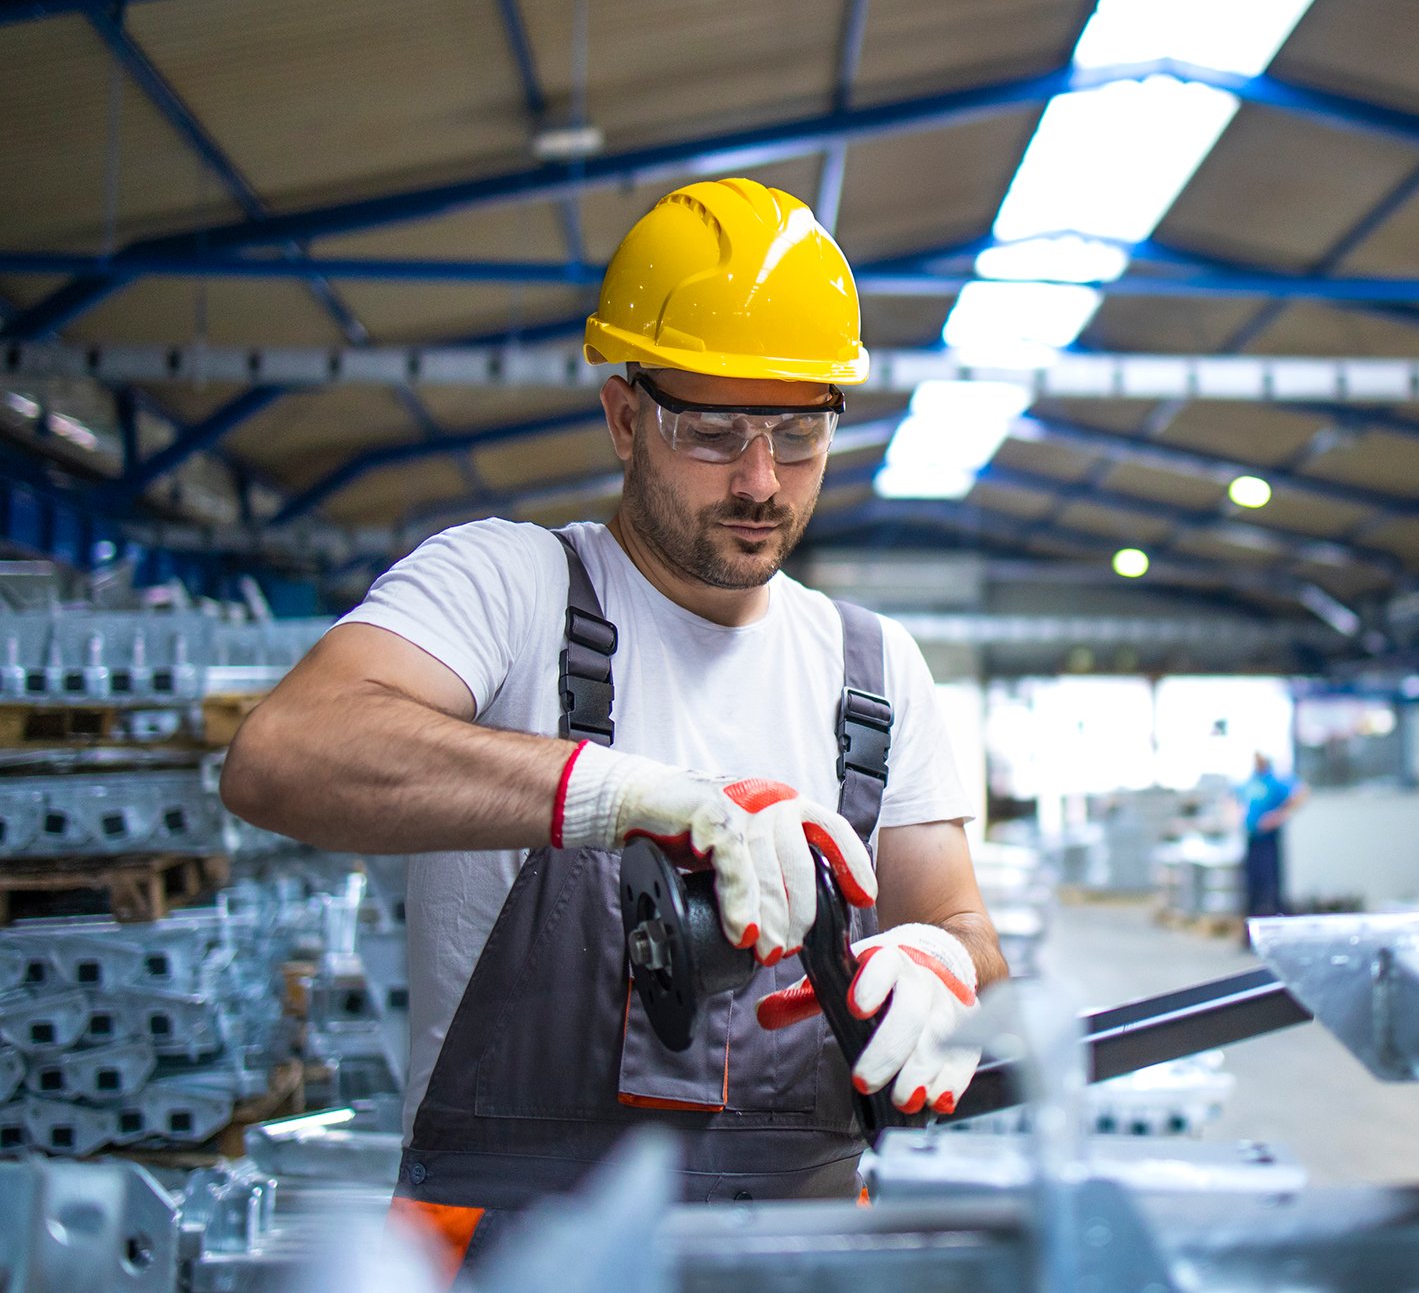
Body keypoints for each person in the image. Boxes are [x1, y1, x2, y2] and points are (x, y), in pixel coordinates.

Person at [221, 177, 1005, 1273]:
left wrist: (939, 960)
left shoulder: (873, 672)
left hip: (801, 1250)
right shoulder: (508, 588)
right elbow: (281, 756)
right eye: (714, 429)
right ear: (624, 414)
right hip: (510, 1248)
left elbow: (962, 925)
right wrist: (626, 796)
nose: (759, 479)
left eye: (798, 432)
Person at [1237, 750, 1307, 918]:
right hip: (1252, 838)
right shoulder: (1250, 782)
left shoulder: (1275, 781)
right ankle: (1251, 920)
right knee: (1251, 883)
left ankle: (1273, 917)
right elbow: (1233, 798)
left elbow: (1301, 792)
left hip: (1269, 840)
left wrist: (1279, 815)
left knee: (1271, 882)